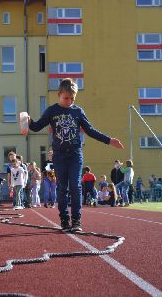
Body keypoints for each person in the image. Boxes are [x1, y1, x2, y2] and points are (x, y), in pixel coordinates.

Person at [28, 78, 124, 231]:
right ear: (59, 94)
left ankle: (76, 221)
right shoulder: (52, 111)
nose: (69, 101)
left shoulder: (78, 111)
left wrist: (109, 140)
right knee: (62, 187)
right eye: (66, 98)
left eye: (72, 98)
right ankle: (64, 220)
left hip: (75, 155)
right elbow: (37, 126)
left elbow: (90, 130)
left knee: (75, 186)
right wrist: (28, 121)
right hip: (59, 156)